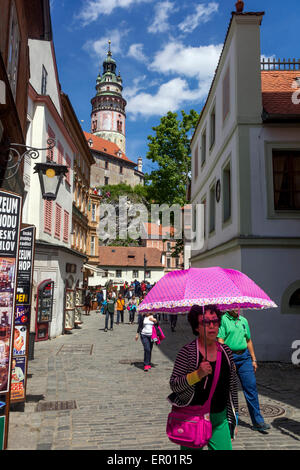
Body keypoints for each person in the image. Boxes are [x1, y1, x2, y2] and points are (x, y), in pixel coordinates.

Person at [168, 305, 238, 451]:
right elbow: (174, 385)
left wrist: (234, 419)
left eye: (215, 321)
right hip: (192, 418)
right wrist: (197, 375)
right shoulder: (187, 352)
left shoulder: (226, 351)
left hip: (220, 420)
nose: (212, 326)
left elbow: (232, 387)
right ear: (196, 327)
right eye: (205, 322)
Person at [217, 309, 270, 433]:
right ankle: (231, 422)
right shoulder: (223, 320)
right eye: (234, 304)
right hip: (230, 356)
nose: (236, 307)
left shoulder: (243, 320)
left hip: (245, 357)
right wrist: (228, 360)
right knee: (231, 391)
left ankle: (258, 421)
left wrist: (254, 359)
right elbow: (220, 341)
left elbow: (248, 340)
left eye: (238, 305)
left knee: (251, 388)